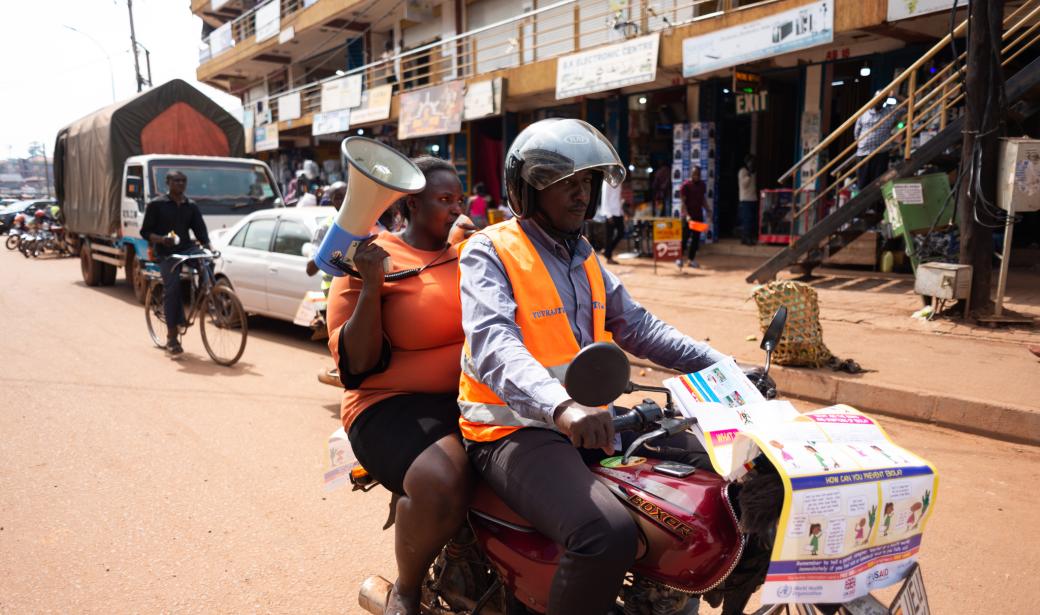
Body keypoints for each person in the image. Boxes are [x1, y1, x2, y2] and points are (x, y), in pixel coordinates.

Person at [457, 119, 768, 615]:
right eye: (566, 184)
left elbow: (641, 328)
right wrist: (560, 407)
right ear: (527, 189)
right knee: (605, 534)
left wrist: (727, 367)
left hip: (594, 424)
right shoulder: (490, 251)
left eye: (587, 183)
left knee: (729, 480)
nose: (581, 195)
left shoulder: (583, 256)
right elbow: (495, 343)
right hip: (514, 433)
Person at [326, 156, 474, 615]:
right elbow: (357, 364)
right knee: (444, 479)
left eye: (459, 199)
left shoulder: (469, 254)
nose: (455, 209)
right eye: (443, 200)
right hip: (386, 404)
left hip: (469, 396)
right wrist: (370, 286)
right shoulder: (371, 255)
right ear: (411, 204)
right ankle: (407, 591)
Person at [140, 171, 211, 356]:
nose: (180, 184)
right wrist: (162, 240)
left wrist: (208, 247)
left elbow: (201, 231)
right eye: (176, 181)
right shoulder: (157, 205)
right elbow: (145, 232)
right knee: (172, 289)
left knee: (208, 263)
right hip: (166, 253)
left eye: (183, 181)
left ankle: (208, 295)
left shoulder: (191, 206)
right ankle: (172, 337)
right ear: (168, 183)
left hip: (187, 249)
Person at [854, 93, 904, 192]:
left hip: (881, 153)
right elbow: (856, 133)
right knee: (862, 184)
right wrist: (862, 144)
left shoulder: (890, 113)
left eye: (881, 99)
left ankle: (875, 207)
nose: (878, 101)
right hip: (864, 154)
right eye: (876, 99)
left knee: (879, 184)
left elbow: (908, 104)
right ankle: (864, 207)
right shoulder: (863, 113)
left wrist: (895, 95)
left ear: (884, 101)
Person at [679, 166, 710, 268]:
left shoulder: (702, 185)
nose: (696, 176)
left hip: (698, 217)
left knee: (696, 240)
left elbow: (703, 200)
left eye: (698, 174)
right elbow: (683, 203)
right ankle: (680, 259)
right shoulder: (685, 186)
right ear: (691, 174)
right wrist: (687, 215)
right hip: (688, 218)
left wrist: (708, 209)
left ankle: (691, 260)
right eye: (694, 174)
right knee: (684, 238)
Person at [599, 176, 624, 264]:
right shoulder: (607, 182)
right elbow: (605, 198)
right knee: (609, 236)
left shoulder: (619, 181)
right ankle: (609, 257)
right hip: (610, 212)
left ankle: (607, 251)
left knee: (621, 233)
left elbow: (618, 197)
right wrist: (608, 215)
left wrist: (622, 211)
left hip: (618, 211)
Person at [738, 154, 758, 245]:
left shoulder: (753, 172)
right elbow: (744, 185)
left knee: (752, 220)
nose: (753, 163)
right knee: (747, 219)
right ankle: (746, 238)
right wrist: (749, 174)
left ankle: (749, 237)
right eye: (751, 162)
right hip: (745, 199)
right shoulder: (743, 172)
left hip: (753, 198)